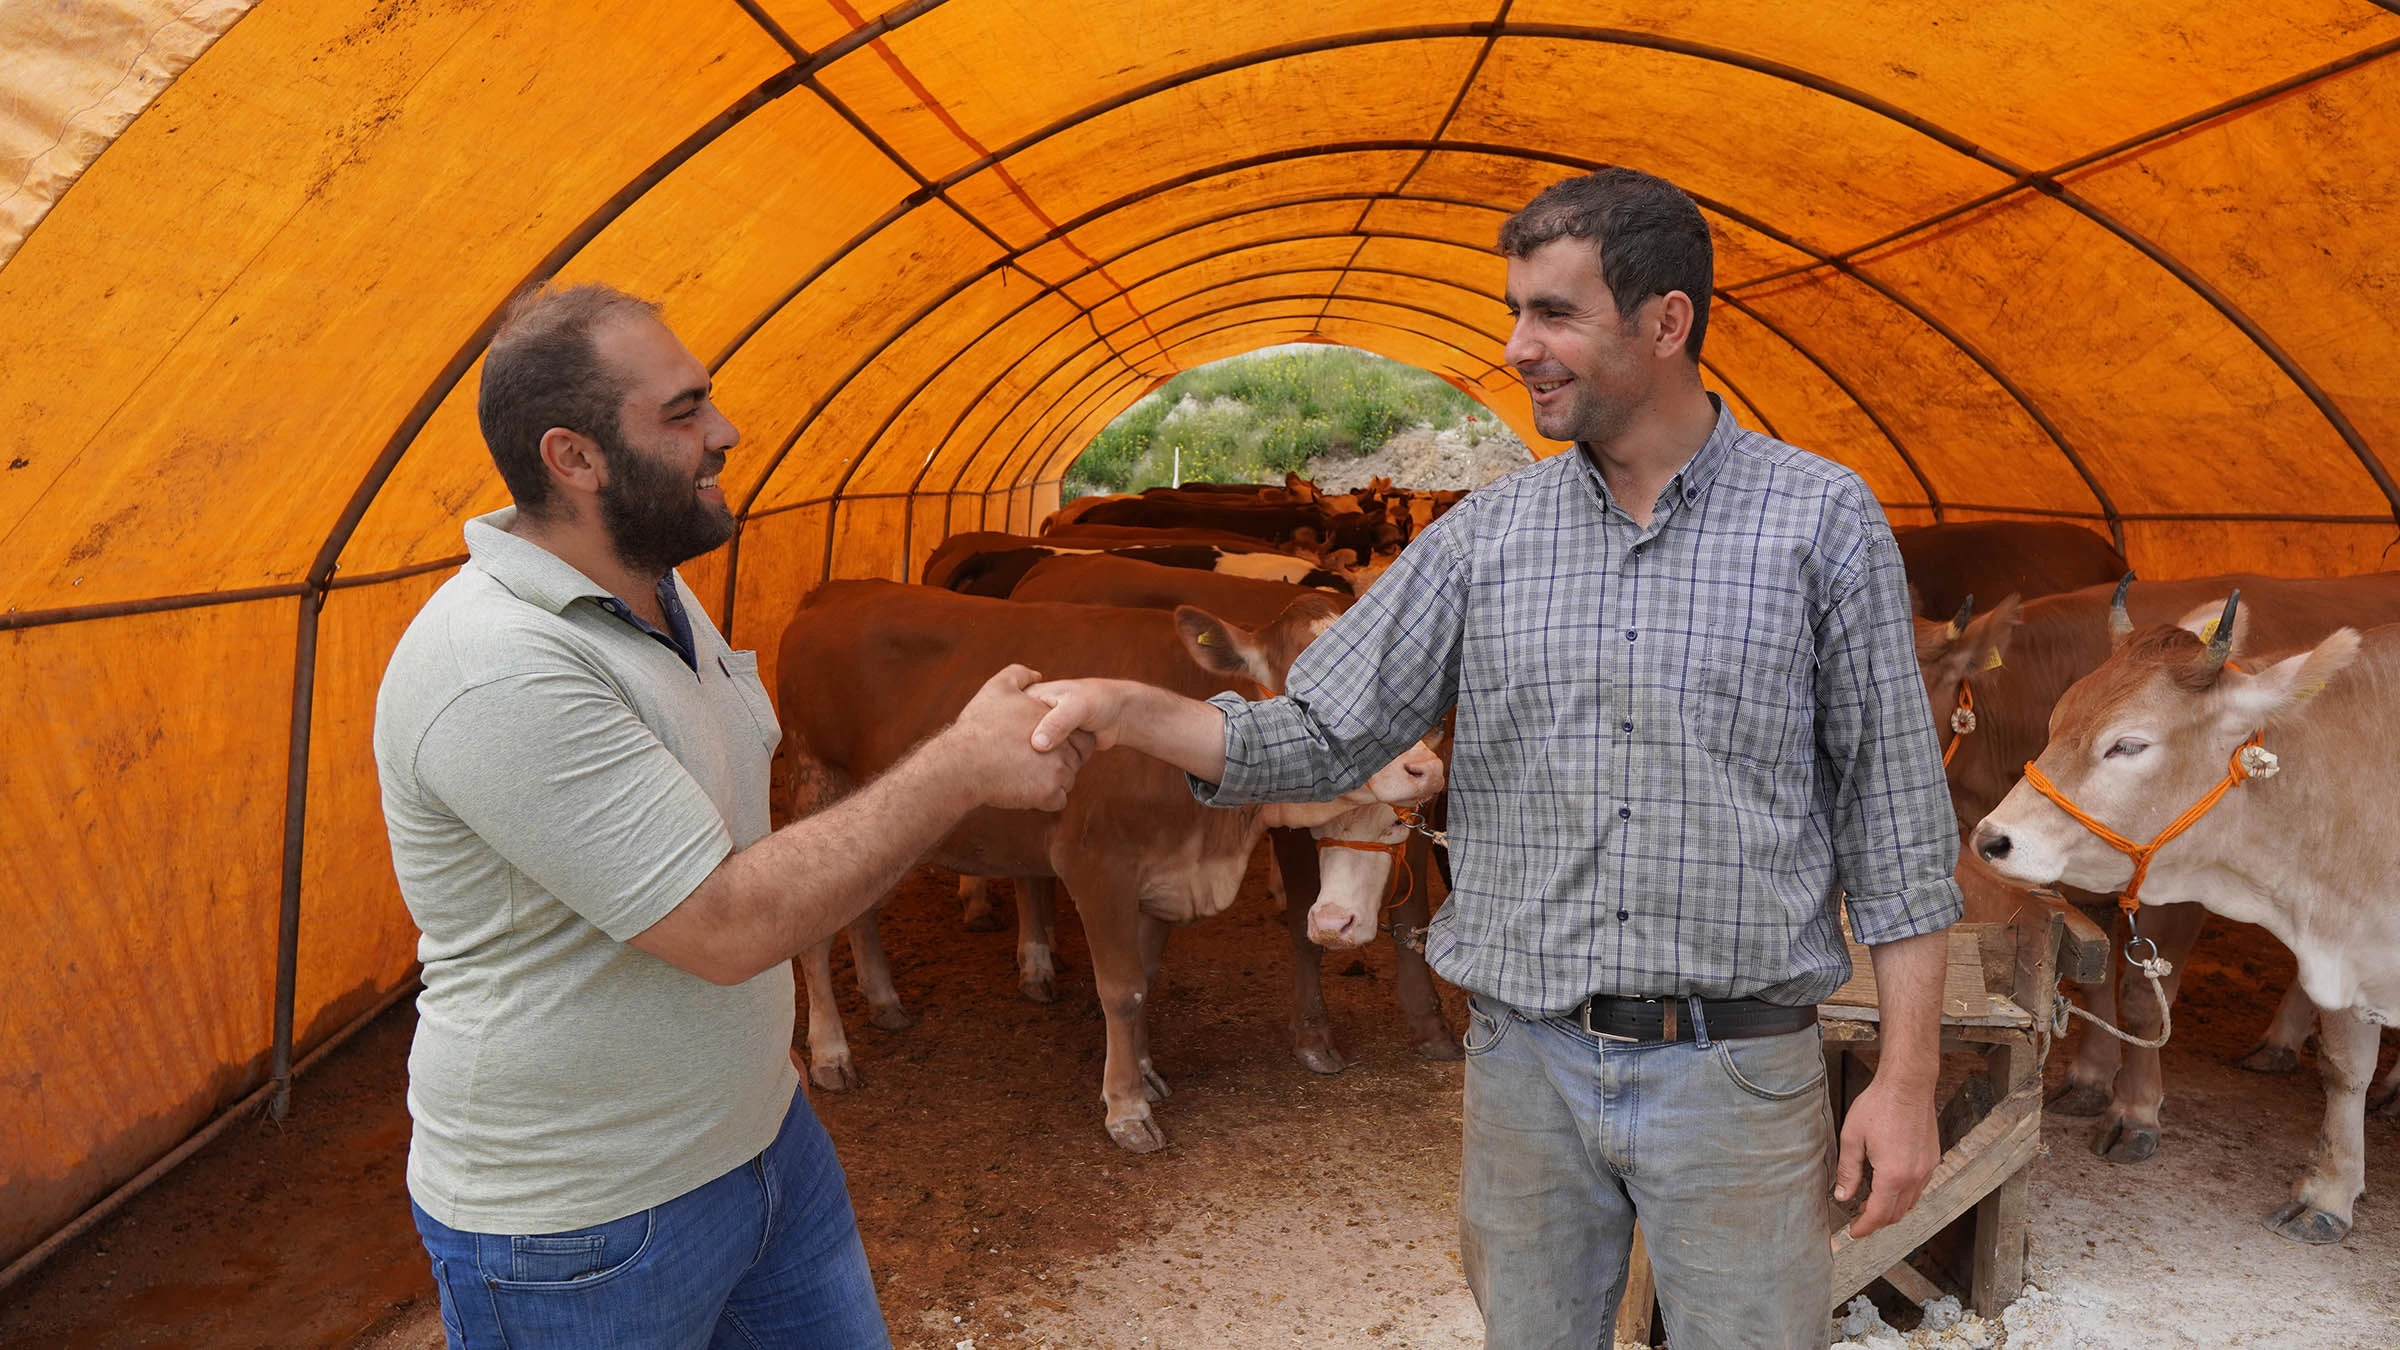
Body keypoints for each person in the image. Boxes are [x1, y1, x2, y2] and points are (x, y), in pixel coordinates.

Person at [1023, 169, 1957, 1348]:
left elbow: (1896, 823)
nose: (1517, 347)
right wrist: (1125, 707)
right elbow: (1321, 733)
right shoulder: (1485, 540)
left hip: (1736, 1074)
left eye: (1555, 314)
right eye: (1515, 311)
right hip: (1528, 1069)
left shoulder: (1820, 521)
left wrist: (1906, 1078)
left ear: (1667, 322)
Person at [373, 283, 1090, 1349]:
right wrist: (961, 765)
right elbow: (723, 925)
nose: (727, 431)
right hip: (587, 1225)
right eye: (682, 412)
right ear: (573, 459)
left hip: (761, 1137)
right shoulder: (497, 668)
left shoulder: (654, 586)